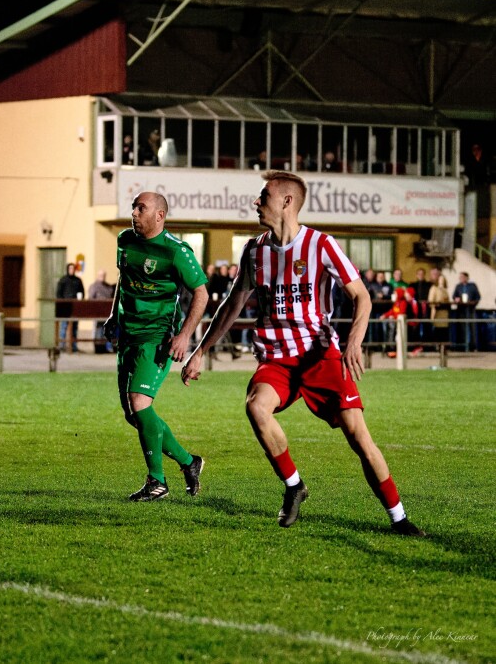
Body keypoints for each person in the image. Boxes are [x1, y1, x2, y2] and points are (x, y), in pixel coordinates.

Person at [181, 170, 425, 536]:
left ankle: (399, 518)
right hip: (277, 358)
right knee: (256, 406)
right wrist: (200, 351)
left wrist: (354, 340)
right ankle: (295, 486)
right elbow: (232, 304)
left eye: (263, 196)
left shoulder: (321, 245)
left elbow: (362, 295)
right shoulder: (255, 250)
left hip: (320, 355)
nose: (256, 203)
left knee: (358, 435)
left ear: (286, 202)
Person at [102, 191, 209, 502]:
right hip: (128, 337)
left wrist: (185, 335)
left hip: (157, 337)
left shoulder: (176, 252)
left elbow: (201, 293)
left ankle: (157, 481)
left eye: (141, 208)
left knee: (140, 402)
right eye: (134, 207)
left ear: (159, 216)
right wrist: (113, 314)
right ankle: (190, 462)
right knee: (133, 414)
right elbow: (124, 278)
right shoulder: (125, 240)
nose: (134, 213)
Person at [55, 262, 85, 352]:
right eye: (70, 269)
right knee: (64, 326)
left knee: (75, 327)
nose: (72, 270)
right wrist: (62, 302)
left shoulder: (78, 280)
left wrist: (80, 300)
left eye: (73, 269)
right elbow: (59, 293)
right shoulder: (63, 280)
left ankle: (74, 346)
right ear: (68, 269)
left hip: (75, 307)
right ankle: (62, 345)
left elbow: (82, 292)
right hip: (65, 307)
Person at [87, 269, 115, 353]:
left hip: (107, 313)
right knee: (98, 330)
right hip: (97, 312)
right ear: (97, 276)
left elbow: (111, 296)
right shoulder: (94, 286)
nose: (102, 277)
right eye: (100, 275)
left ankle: (105, 348)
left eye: (103, 275)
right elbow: (91, 298)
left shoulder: (108, 286)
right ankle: (98, 348)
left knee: (106, 330)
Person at [452, 272, 481, 352]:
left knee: (473, 328)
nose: (461, 278)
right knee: (462, 328)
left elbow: (478, 297)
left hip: (471, 309)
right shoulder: (458, 287)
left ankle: (473, 346)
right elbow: (454, 296)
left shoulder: (472, 286)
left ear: (467, 278)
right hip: (461, 310)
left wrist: (473, 302)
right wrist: (456, 299)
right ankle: (463, 346)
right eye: (460, 277)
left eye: (462, 277)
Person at [426, 269, 449, 343]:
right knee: (437, 330)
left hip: (444, 313)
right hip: (437, 312)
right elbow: (431, 300)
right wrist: (436, 304)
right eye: (440, 280)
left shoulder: (445, 290)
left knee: (444, 330)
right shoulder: (434, 289)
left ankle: (444, 347)